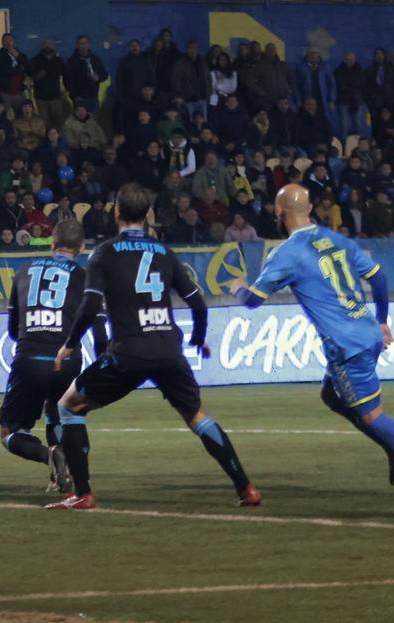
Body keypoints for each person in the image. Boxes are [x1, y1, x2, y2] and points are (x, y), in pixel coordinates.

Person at [47, 183, 260, 510]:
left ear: (116, 212)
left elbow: (90, 306)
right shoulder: (164, 252)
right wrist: (198, 338)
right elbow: (198, 304)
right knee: (197, 415)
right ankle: (246, 488)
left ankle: (83, 493)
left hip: (129, 352)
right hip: (168, 350)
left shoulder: (103, 253)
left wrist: (70, 345)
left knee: (68, 406)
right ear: (147, 215)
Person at [230, 184, 394, 496]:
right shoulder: (336, 240)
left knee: (372, 416)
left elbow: (252, 300)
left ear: (278, 211)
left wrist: (238, 286)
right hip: (368, 333)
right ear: (309, 209)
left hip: (347, 346)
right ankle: (393, 448)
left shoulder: (287, 254)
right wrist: (383, 320)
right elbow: (378, 276)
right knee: (331, 396)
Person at [1, 220, 108, 492]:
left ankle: (48, 456)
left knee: (10, 433)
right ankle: (69, 474)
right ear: (82, 248)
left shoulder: (24, 272)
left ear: (52, 244)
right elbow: (99, 333)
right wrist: (103, 366)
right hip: (68, 360)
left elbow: (13, 330)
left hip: (29, 359)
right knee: (63, 415)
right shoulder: (86, 278)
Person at [30, 40, 68, 131]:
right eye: (45, 44)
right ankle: (46, 141)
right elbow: (31, 75)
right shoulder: (35, 60)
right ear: (42, 46)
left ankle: (59, 142)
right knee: (43, 123)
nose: (47, 46)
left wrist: (68, 89)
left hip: (55, 97)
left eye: (50, 44)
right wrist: (39, 74)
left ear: (54, 46)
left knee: (59, 121)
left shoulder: (59, 61)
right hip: (40, 98)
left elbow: (66, 75)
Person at [64, 35, 108, 114]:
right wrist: (74, 96)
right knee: (81, 125)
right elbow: (68, 81)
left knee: (94, 124)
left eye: (85, 43)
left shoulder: (95, 59)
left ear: (89, 44)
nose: (83, 46)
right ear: (76, 46)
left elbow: (105, 74)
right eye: (80, 44)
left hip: (93, 98)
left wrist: (98, 77)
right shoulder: (71, 62)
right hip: (79, 99)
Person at [0, 33, 30, 111]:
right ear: (2, 42)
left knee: (20, 115)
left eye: (10, 40)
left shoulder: (19, 53)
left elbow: (27, 65)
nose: (8, 42)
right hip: (5, 92)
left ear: (14, 42)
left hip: (19, 91)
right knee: (3, 114)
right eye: (5, 40)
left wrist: (17, 56)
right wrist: (19, 69)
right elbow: (3, 69)